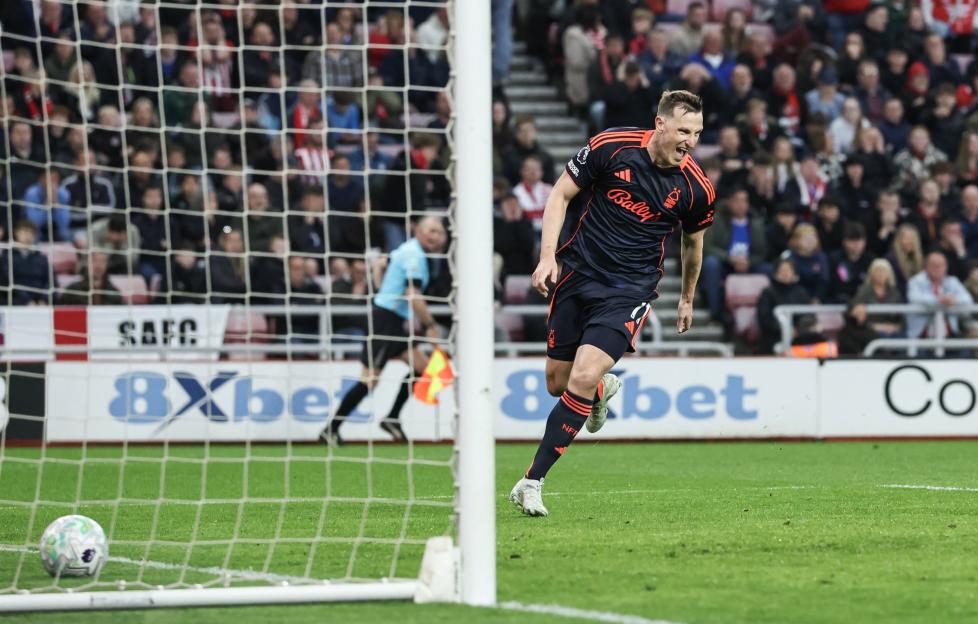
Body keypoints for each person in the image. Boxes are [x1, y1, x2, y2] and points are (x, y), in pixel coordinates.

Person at [510, 91, 716, 517]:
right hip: (579, 275)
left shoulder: (696, 188)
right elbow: (560, 195)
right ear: (659, 124)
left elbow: (693, 246)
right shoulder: (611, 146)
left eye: (697, 133)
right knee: (558, 383)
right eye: (683, 131)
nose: (690, 141)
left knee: (581, 377)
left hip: (629, 290)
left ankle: (532, 481)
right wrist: (548, 256)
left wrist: (687, 298)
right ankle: (602, 389)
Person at [320, 217, 448, 446]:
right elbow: (413, 296)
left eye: (439, 232)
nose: (435, 236)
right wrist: (430, 325)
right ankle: (331, 429)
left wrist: (381, 287)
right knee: (370, 380)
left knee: (422, 366)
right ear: (417, 230)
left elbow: (379, 262)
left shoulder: (407, 249)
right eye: (431, 230)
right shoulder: (414, 255)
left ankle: (391, 418)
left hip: (392, 319)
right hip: (383, 320)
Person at [906, 251, 973, 339]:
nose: (938, 268)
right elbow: (914, 298)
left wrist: (954, 300)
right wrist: (938, 301)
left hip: (949, 335)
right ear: (926, 267)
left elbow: (968, 300)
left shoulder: (952, 281)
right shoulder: (916, 281)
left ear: (946, 267)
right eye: (934, 265)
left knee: (964, 349)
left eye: (941, 265)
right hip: (922, 334)